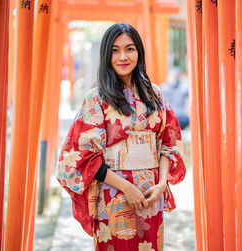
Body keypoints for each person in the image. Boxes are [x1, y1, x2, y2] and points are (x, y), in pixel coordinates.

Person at [57, 23, 186, 251]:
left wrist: (162, 184)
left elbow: (169, 143)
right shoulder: (95, 98)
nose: (123, 56)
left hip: (151, 192)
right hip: (113, 193)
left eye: (130, 49)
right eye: (115, 50)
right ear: (106, 55)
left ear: (139, 52)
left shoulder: (155, 94)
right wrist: (127, 188)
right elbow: (85, 157)